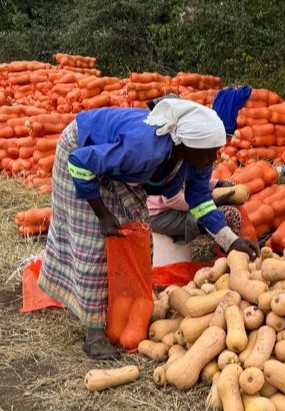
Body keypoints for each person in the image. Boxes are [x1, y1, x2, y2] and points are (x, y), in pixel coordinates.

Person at [38, 99, 259, 360]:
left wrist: (230, 241)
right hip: (80, 152)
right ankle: (94, 333)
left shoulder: (196, 160)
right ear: (185, 144)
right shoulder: (145, 149)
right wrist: (103, 215)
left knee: (137, 234)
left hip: (115, 162)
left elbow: (200, 201)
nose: (213, 158)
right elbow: (80, 163)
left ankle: (121, 308)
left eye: (216, 151)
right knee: (95, 242)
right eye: (209, 152)